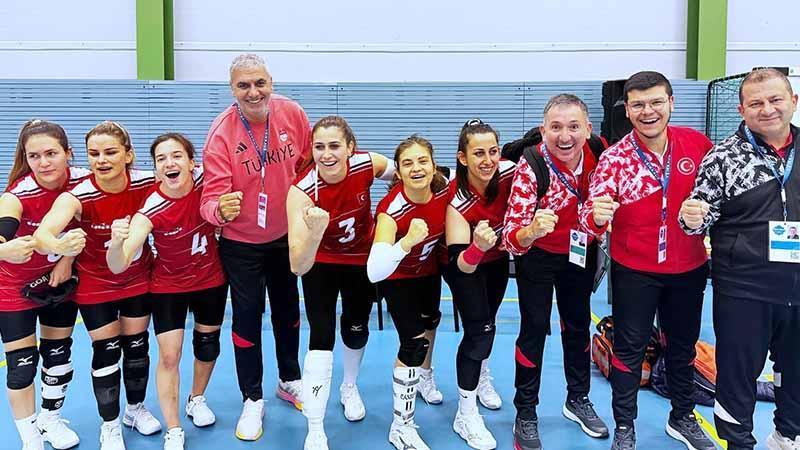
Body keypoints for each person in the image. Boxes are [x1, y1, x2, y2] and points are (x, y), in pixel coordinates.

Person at [578, 71, 716, 450]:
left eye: (656, 102)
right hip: (634, 271)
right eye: (638, 104)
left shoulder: (698, 145)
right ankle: (625, 425)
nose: (648, 111)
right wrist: (597, 216)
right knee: (628, 350)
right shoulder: (615, 158)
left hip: (688, 268)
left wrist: (706, 215)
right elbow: (589, 217)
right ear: (627, 109)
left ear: (671, 103)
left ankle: (682, 417)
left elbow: (719, 200)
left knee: (683, 348)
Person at [680, 68, 800, 450]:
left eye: (775, 99)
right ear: (742, 109)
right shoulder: (723, 158)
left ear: (793, 101)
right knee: (737, 378)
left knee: (795, 372)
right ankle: (738, 444)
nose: (767, 109)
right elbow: (695, 220)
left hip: (798, 290)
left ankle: (787, 436)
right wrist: (691, 216)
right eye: (756, 103)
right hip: (744, 289)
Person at [198, 53, 311, 441]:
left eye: (259, 83)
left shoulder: (292, 114)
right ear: (232, 89)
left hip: (286, 236)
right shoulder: (221, 134)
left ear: (271, 83)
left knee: (288, 311)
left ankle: (289, 379)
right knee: (247, 318)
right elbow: (208, 201)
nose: (253, 92)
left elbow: (308, 165)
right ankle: (252, 397)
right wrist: (220, 210)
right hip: (241, 244)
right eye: (243, 85)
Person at [34, 121, 161, 450]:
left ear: (128, 155)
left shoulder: (147, 182)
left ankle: (135, 409)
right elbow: (44, 233)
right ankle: (110, 425)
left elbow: (189, 178)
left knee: (137, 347)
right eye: (94, 154)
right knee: (107, 351)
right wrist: (59, 246)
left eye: (110, 152)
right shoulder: (78, 195)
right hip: (96, 284)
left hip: (137, 278)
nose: (101, 160)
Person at [106, 133, 228, 450]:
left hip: (211, 279)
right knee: (170, 356)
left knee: (207, 345)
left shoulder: (207, 184)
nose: (169, 163)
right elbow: (119, 263)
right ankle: (174, 428)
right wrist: (117, 243)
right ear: (156, 168)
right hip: (168, 286)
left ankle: (196, 398)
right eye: (161, 159)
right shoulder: (151, 209)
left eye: (176, 156)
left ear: (192, 162)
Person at [502, 94, 609, 450]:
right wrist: (531, 231)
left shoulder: (600, 153)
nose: (565, 136)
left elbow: (599, 214)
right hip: (538, 255)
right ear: (543, 130)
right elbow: (510, 238)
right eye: (556, 127)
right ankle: (525, 411)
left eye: (574, 126)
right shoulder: (531, 165)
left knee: (577, 325)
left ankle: (577, 398)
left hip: (579, 252)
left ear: (588, 129)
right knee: (534, 329)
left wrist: (598, 222)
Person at [287, 116, 392, 450]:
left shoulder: (367, 164)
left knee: (356, 327)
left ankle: (349, 386)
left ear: (350, 148)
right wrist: (316, 231)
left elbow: (403, 176)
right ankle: (315, 426)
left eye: (334, 146)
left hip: (360, 259)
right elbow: (297, 265)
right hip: (320, 261)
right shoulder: (302, 191)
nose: (327, 154)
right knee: (321, 334)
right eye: (319, 147)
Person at [0, 120, 88, 450]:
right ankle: (30, 438)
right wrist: (4, 250)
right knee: (22, 367)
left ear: (68, 153)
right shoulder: (16, 195)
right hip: (15, 287)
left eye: (51, 153)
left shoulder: (83, 182)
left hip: (58, 282)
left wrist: (67, 258)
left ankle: (50, 419)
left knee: (58, 355)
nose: (43, 163)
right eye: (34, 156)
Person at [367, 135, 449, 450]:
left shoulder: (444, 189)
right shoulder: (391, 210)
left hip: (427, 271)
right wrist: (406, 242)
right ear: (398, 172)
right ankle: (401, 426)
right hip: (397, 276)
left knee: (430, 322)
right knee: (413, 344)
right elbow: (374, 271)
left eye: (422, 161)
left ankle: (425, 376)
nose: (416, 168)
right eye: (408, 163)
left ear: (433, 165)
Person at [444, 118, 513, 450]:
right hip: (465, 265)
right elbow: (461, 264)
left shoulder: (510, 173)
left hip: (497, 262)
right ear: (462, 158)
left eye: (493, 152)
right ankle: (466, 413)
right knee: (479, 331)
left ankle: (482, 376)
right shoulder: (457, 202)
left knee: (490, 322)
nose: (488, 160)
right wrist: (478, 247)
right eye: (478, 154)